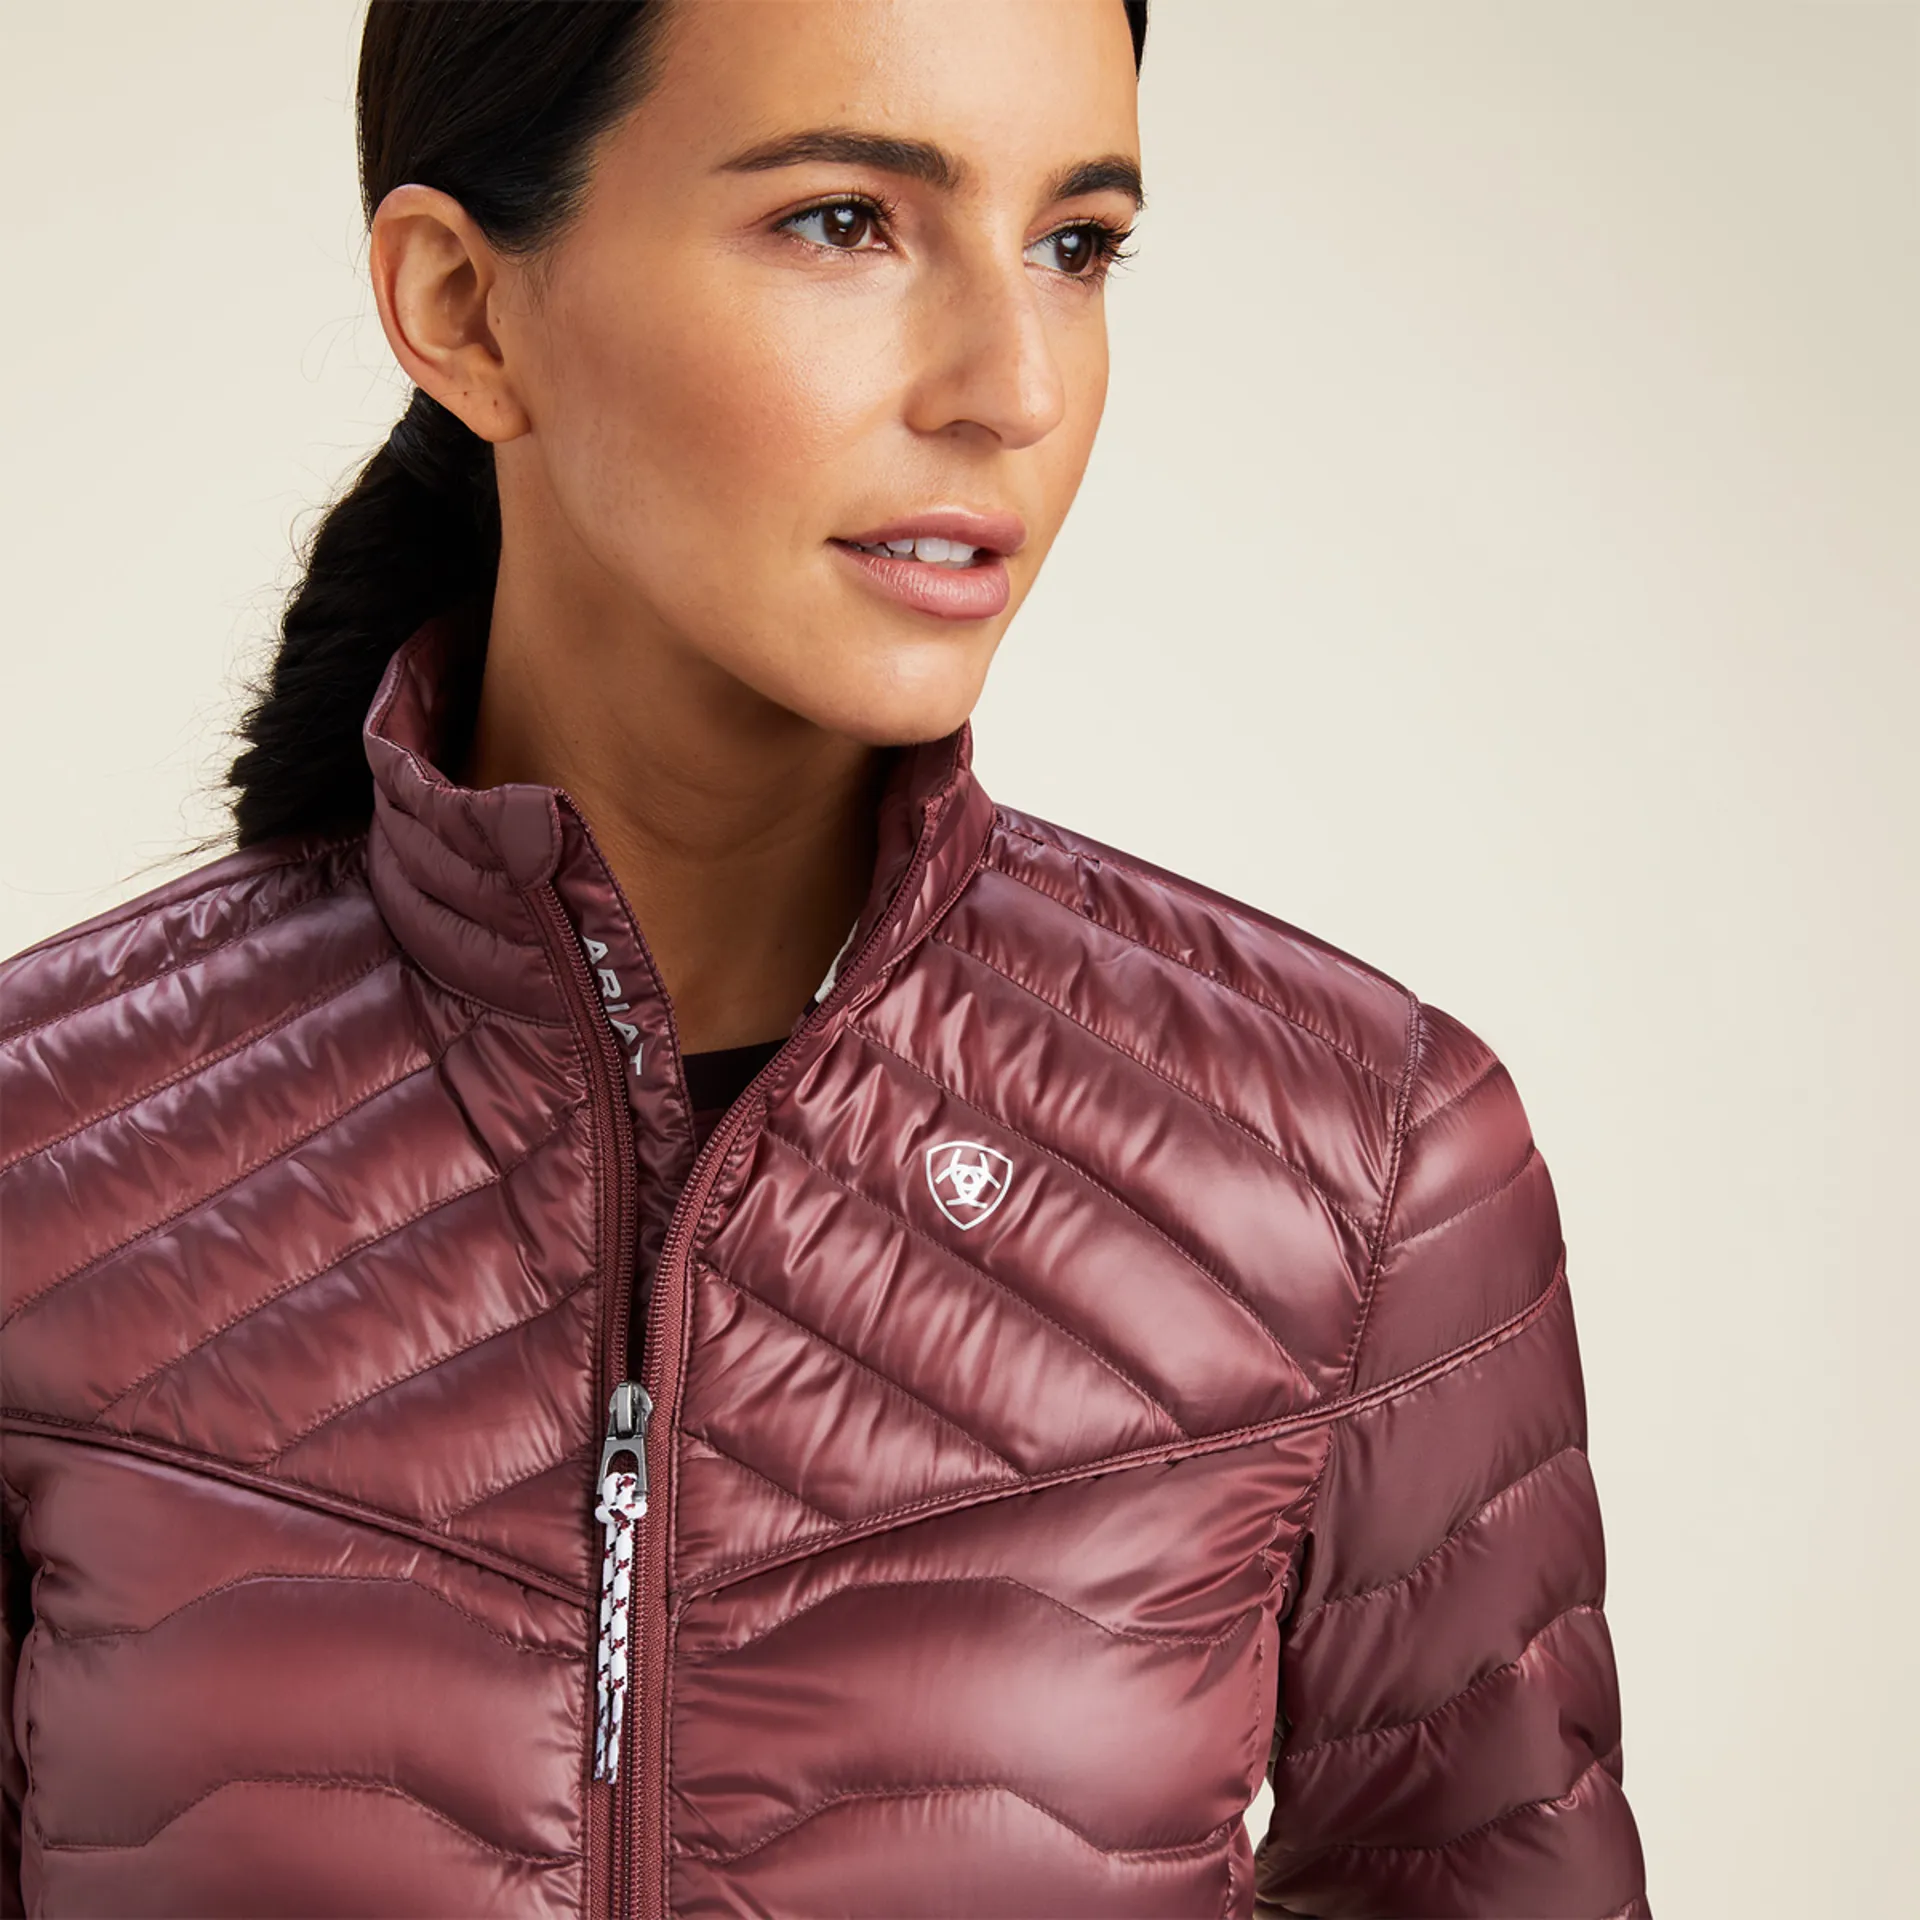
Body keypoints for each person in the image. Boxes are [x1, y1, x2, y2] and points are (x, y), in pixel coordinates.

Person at [0, 3, 1648, 1914]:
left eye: (1075, 244)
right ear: (462, 306)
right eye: (845, 221)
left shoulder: (1360, 1171)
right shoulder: (43, 1161)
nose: (1011, 384)